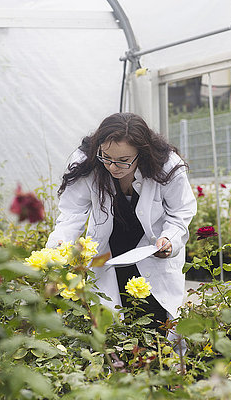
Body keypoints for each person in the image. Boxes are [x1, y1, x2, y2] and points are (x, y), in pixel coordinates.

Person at [46, 112, 197, 331]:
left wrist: (169, 240)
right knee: (110, 327)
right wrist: (55, 250)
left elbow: (181, 211)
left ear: (142, 153)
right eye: (106, 157)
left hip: (150, 252)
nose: (113, 166)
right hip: (108, 253)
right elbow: (71, 214)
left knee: (152, 326)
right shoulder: (86, 161)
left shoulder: (166, 165)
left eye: (123, 161)